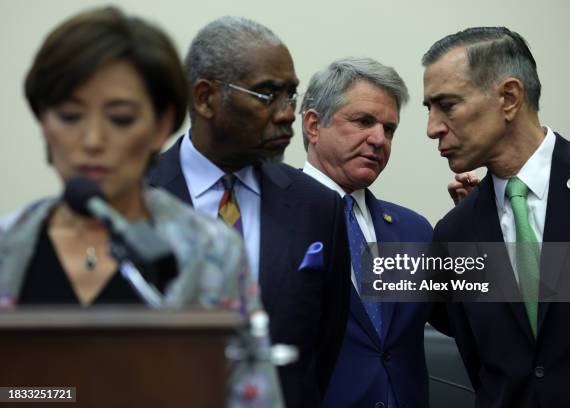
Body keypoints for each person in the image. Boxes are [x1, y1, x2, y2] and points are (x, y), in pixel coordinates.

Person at [148, 16, 351, 407]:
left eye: (290, 95)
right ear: (206, 98)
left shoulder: (317, 206)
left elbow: (323, 348)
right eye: (267, 95)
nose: (287, 113)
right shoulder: (132, 198)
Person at [0, 7, 254, 314]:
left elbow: (247, 361)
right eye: (70, 116)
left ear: (161, 126)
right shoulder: (7, 246)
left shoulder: (214, 251)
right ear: (44, 123)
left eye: (120, 119)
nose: (92, 141)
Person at [423, 27, 570, 407]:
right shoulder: (455, 233)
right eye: (430, 109)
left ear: (509, 98)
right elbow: (477, 359)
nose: (432, 128)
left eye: (447, 105)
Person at [301, 57, 437, 408]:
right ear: (314, 125)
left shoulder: (412, 230)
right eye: (363, 121)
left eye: (389, 129)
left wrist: (477, 220)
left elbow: (474, 320)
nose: (379, 139)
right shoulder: (270, 218)